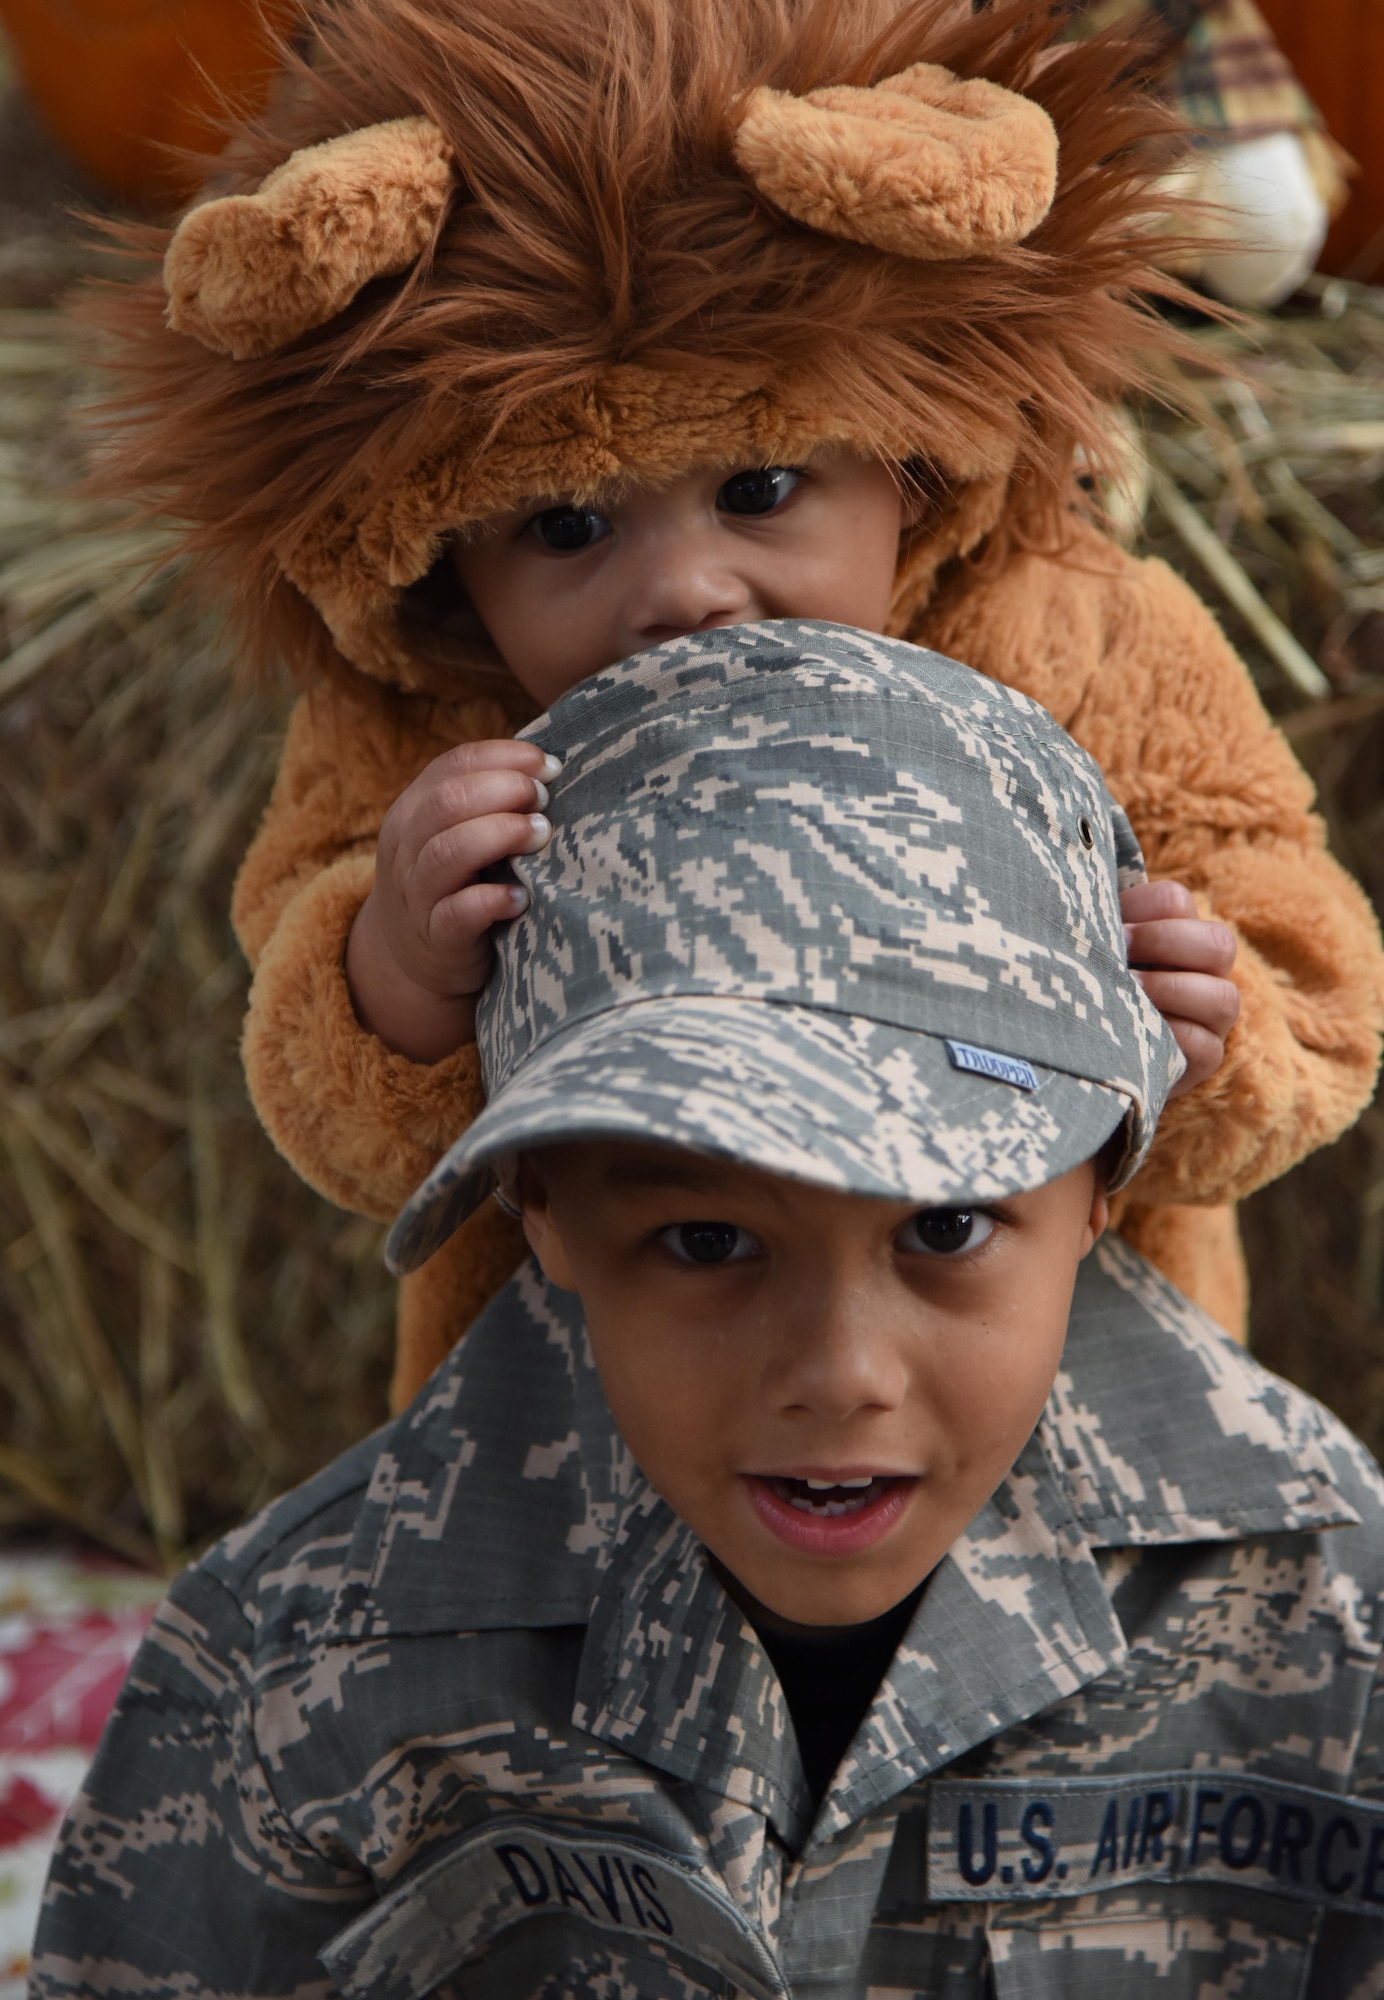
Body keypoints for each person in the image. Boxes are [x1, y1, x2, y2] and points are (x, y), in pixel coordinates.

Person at [31, 631, 1384, 1995]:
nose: (840, 1372)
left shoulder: (1333, 1615)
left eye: (949, 1224)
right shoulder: (306, 1666)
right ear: (538, 1206)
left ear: (1100, 1185)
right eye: (707, 1239)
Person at [92, 0, 1384, 1406]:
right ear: (440, 555)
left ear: (908, 461)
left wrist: (1216, 1035)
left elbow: (1310, 975)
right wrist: (392, 977)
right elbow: (348, 1125)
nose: (684, 592)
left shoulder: (1077, 634)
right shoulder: (430, 733)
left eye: (761, 492)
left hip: (1058, 1407)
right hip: (589, 1431)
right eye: (568, 528)